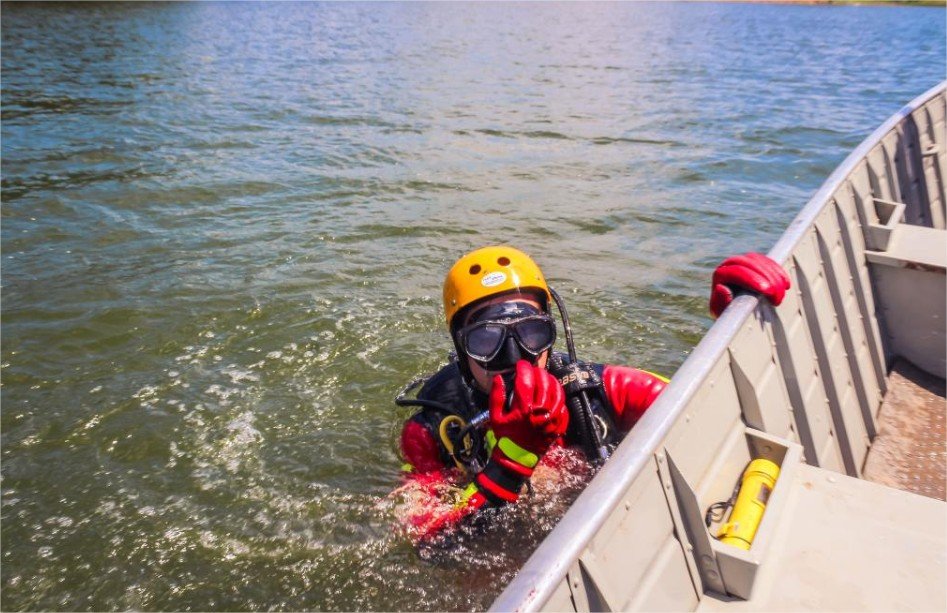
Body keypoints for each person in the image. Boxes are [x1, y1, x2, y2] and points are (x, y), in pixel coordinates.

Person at [394, 246, 790, 544]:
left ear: (551, 332)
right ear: (461, 349)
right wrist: (509, 465)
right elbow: (423, 540)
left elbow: (709, 408)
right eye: (486, 340)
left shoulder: (600, 390)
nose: (514, 357)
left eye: (531, 332)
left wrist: (732, 328)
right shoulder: (433, 428)